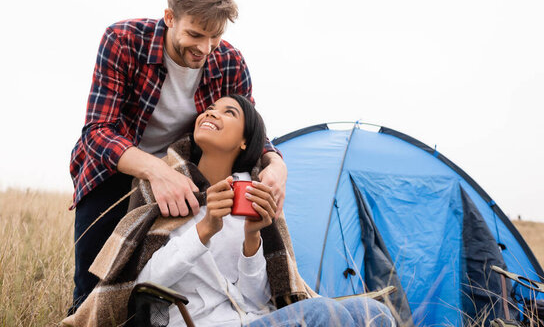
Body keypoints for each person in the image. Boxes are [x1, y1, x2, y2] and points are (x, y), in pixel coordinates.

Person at [62, 95, 394, 326]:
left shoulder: (250, 195)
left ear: (246, 141)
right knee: (321, 314)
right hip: (197, 323)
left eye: (228, 112)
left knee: (380, 315)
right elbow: (142, 284)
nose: (210, 114)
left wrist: (253, 238)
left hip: (254, 319)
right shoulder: (169, 188)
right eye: (208, 109)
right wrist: (204, 229)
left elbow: (255, 297)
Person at [68, 0, 288, 313]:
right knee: (93, 291)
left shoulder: (229, 62)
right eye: (196, 34)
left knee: (161, 282)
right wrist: (157, 172)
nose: (205, 48)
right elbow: (98, 131)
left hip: (185, 174)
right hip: (113, 172)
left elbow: (251, 129)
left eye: (214, 37)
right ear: (169, 17)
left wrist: (277, 164)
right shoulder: (123, 40)